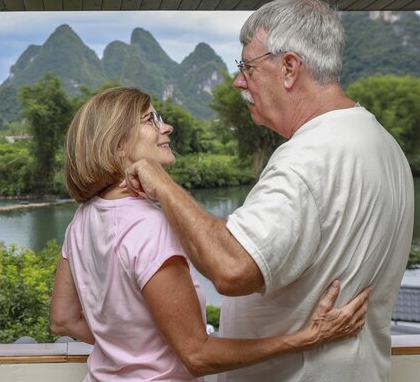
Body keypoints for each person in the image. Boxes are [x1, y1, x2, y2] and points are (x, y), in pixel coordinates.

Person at [121, 0, 414, 382]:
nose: (238, 81)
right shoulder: (381, 143)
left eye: (247, 67)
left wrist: (163, 186)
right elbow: (289, 241)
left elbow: (232, 269)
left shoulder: (310, 157)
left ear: (290, 68)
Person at [51, 87, 370, 381]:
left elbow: (63, 319)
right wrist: (307, 337)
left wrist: (129, 348)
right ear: (118, 144)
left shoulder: (81, 221)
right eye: (151, 120)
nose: (166, 127)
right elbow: (197, 355)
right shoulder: (150, 227)